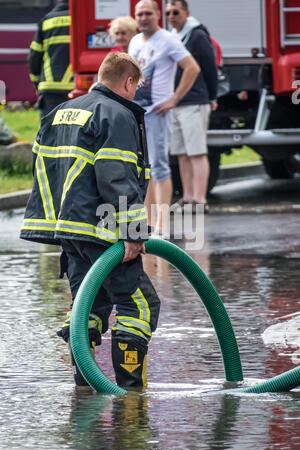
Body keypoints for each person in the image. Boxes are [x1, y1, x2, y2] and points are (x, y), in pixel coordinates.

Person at [20, 52, 160, 391]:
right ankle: (129, 396)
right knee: (139, 306)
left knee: (90, 305)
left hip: (68, 232)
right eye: (136, 87)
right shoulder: (118, 114)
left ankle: (85, 386)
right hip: (101, 231)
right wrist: (132, 232)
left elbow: (45, 174)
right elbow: (117, 175)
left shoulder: (57, 113)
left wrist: (60, 227)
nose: (135, 94)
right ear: (128, 82)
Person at [128, 0, 200, 237]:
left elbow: (192, 68)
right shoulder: (135, 41)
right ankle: (147, 223)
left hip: (157, 113)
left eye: (148, 13)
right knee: (142, 169)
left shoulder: (168, 40)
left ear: (157, 15)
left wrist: (173, 99)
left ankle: (162, 225)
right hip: (136, 113)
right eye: (140, 14)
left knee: (159, 167)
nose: (144, 18)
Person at [166, 0, 218, 214]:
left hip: (195, 101)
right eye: (168, 12)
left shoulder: (197, 36)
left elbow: (209, 68)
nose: (171, 16)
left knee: (196, 152)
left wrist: (212, 96)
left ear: (186, 13)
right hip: (176, 103)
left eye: (176, 12)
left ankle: (200, 199)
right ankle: (187, 198)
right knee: (182, 153)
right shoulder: (173, 36)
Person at [28, 0, 74, 120]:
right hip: (78, 85)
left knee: (50, 132)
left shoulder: (47, 20)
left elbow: (35, 56)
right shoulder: (83, 18)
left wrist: (36, 81)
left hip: (51, 87)